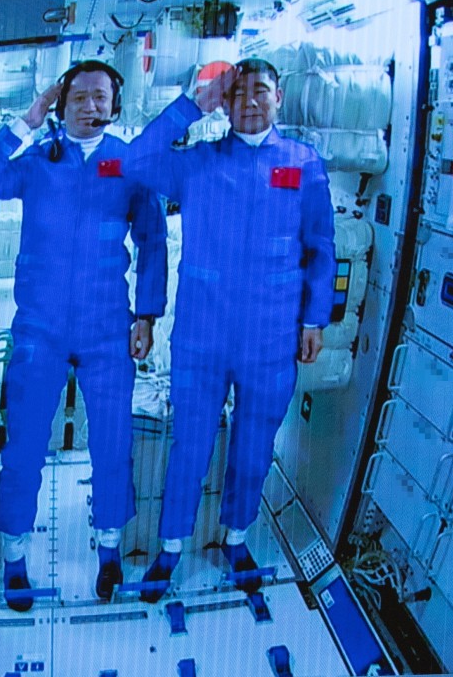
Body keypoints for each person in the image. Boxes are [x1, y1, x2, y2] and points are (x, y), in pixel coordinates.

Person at [0, 60, 172, 610]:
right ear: (62, 104)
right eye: (77, 96)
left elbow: (154, 241)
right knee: (25, 446)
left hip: (108, 326)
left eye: (100, 96)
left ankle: (109, 548)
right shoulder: (38, 160)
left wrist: (147, 316)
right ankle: (15, 557)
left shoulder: (131, 165)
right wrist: (30, 117)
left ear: (114, 103)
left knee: (112, 444)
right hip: (39, 328)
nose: (89, 105)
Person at [135, 58, 335, 602]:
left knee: (253, 448)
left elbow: (321, 250)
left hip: (271, 339)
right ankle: (171, 548)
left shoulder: (303, 165)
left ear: (280, 96)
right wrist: (190, 105)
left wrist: (315, 318)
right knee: (191, 446)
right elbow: (136, 161)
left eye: (261, 91)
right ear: (223, 102)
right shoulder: (196, 163)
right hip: (203, 336)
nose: (250, 101)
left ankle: (236, 537)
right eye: (238, 92)